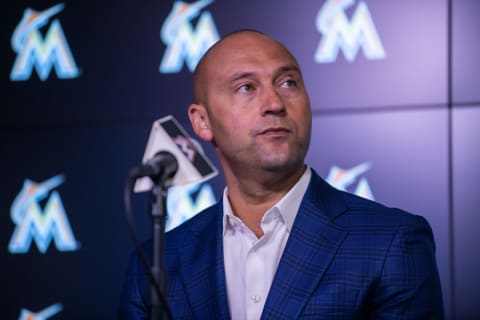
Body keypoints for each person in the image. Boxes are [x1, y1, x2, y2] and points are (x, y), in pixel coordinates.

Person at [119, 30, 444, 319]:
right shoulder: (156, 263)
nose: (274, 102)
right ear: (202, 122)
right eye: (246, 87)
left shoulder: (391, 242)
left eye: (288, 83)